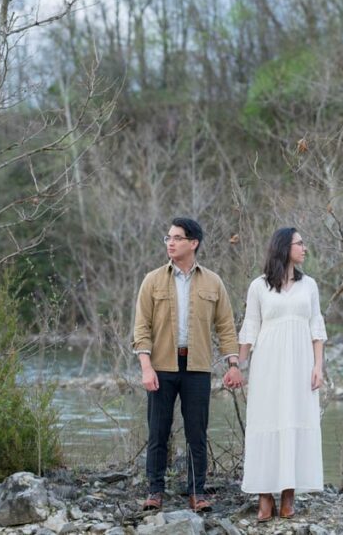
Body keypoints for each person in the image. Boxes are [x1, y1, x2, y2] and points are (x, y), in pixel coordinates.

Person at [131, 217, 244, 513]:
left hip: (197, 367)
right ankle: (155, 491)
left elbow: (226, 327)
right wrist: (146, 366)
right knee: (158, 432)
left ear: (193, 243)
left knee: (197, 432)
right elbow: (141, 327)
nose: (170, 242)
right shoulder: (152, 280)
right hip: (161, 366)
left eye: (177, 238)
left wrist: (233, 364)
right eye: (168, 237)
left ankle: (197, 493)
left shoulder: (213, 281)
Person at [236, 227, 327, 522]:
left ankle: (289, 495)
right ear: (284, 247)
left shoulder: (309, 285)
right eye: (300, 243)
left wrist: (318, 366)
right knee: (267, 421)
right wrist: (238, 365)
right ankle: (265, 496)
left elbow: (316, 327)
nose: (305, 248)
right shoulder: (259, 286)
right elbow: (250, 328)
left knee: (295, 419)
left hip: (300, 364)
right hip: (268, 365)